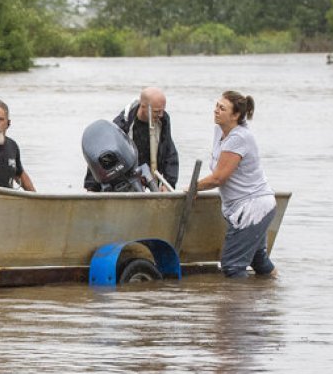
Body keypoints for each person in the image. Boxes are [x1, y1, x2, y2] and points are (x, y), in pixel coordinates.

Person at [194, 90, 277, 278]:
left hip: (253, 207)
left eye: (222, 108)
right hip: (251, 205)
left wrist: (194, 187)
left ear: (236, 115)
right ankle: (272, 295)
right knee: (258, 260)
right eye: (216, 105)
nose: (216, 110)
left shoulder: (239, 138)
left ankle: (236, 307)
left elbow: (219, 178)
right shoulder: (220, 130)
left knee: (232, 266)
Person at [84, 86, 179, 191]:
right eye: (157, 111)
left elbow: (170, 153)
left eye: (162, 110)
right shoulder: (122, 124)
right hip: (127, 176)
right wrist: (91, 186)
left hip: (151, 174)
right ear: (143, 107)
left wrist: (168, 183)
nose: (161, 115)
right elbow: (101, 152)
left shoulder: (162, 121)